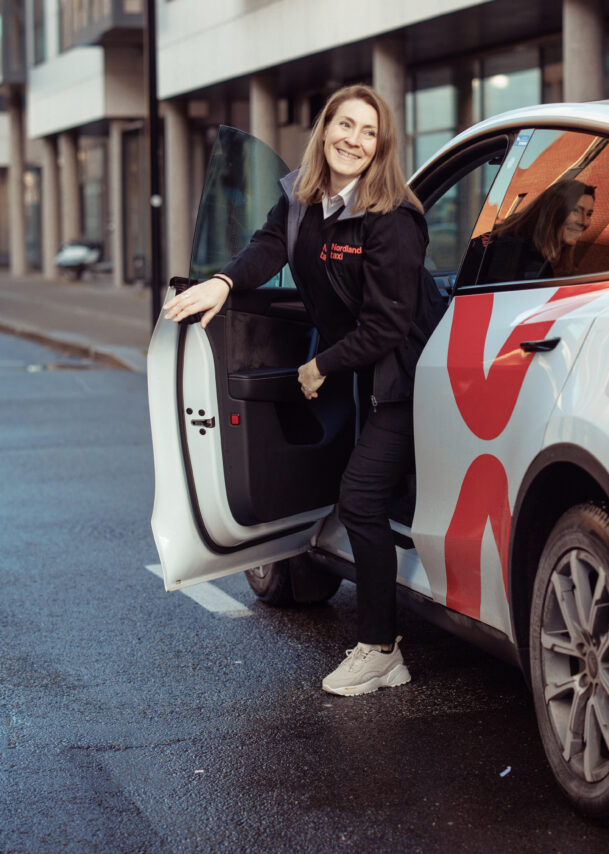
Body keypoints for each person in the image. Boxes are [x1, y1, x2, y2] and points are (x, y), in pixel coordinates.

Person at [162, 84, 446, 697]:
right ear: (324, 129)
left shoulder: (391, 218)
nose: (353, 140)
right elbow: (270, 247)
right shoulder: (301, 196)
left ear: (381, 147)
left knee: (362, 498)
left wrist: (320, 368)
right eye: (345, 125)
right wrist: (222, 283)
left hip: (406, 372)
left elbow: (388, 327)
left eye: (368, 132)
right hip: (362, 369)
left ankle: (380, 651)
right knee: (358, 492)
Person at [460, 179, 595, 285]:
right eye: (576, 211)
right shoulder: (514, 252)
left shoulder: (514, 244)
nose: (584, 222)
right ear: (553, 211)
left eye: (589, 214)